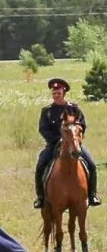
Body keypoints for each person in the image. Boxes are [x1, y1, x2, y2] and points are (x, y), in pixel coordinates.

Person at [34, 77, 99, 208]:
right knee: (40, 165)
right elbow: (43, 129)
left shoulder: (74, 109)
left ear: (64, 93)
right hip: (54, 145)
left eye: (58, 93)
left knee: (91, 165)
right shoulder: (46, 111)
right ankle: (41, 198)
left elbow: (82, 125)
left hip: (74, 144)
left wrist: (74, 138)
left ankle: (92, 195)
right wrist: (57, 140)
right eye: (54, 93)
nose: (56, 96)